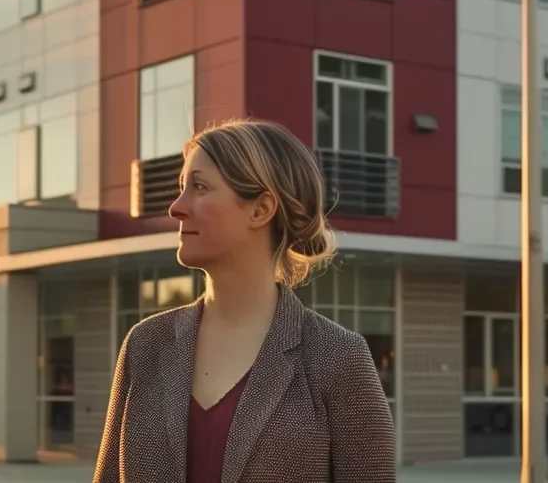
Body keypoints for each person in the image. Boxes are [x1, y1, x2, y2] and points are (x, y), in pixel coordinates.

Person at [93, 118, 396, 483]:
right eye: (181, 188)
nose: (176, 207)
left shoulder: (338, 358)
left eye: (199, 187)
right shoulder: (145, 345)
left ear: (260, 209)